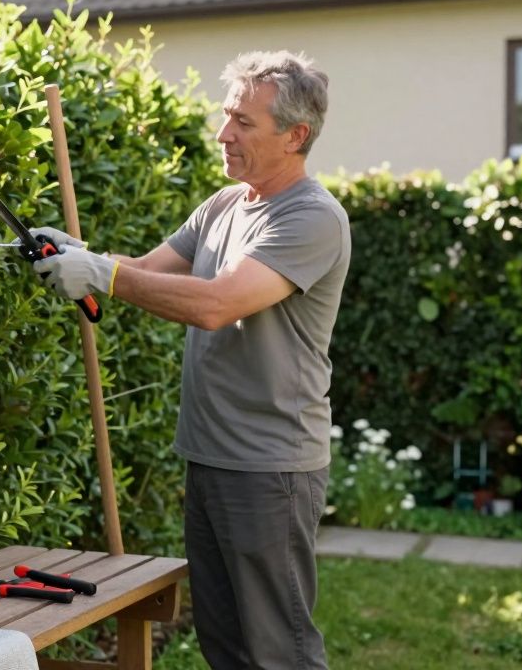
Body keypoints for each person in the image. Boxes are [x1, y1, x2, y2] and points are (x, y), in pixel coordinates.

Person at [30, 50, 349, 670]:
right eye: (227, 116)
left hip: (270, 468)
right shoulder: (224, 205)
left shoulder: (312, 218)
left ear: (296, 135)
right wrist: (81, 256)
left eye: (244, 123)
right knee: (226, 646)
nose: (224, 133)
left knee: (278, 650)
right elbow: (145, 273)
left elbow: (217, 304)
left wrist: (100, 273)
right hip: (210, 456)